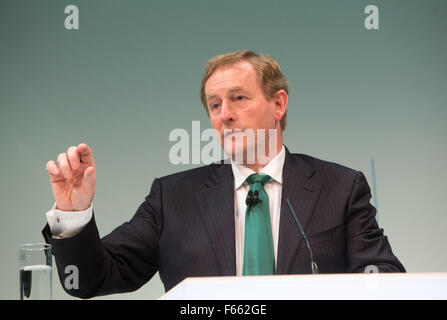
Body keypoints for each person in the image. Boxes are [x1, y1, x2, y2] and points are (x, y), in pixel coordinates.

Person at [42, 50, 405, 299]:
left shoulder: (340, 188)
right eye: (215, 105)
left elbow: (383, 279)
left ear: (278, 104)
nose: (224, 114)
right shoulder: (172, 198)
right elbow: (89, 279)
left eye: (239, 98)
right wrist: (73, 215)